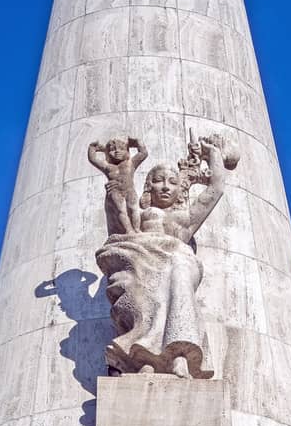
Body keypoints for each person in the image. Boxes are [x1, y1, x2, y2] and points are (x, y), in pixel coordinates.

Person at [94, 134, 233, 378]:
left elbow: (216, 188)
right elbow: (120, 223)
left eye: (172, 182)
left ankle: (178, 356)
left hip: (177, 261)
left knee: (178, 273)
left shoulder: (185, 219)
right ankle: (147, 356)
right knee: (149, 286)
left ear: (181, 188)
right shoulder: (141, 213)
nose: (166, 186)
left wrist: (212, 153)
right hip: (143, 260)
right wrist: (113, 191)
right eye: (158, 181)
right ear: (149, 187)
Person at [88, 136, 148, 235]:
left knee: (134, 209)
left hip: (129, 190)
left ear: (127, 151)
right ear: (107, 153)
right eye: (112, 150)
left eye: (121, 148)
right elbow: (93, 159)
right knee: (121, 211)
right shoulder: (108, 167)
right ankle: (129, 230)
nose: (117, 152)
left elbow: (143, 153)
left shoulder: (131, 163)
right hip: (115, 191)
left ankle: (137, 229)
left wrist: (137, 142)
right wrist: (92, 147)